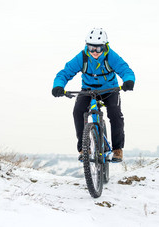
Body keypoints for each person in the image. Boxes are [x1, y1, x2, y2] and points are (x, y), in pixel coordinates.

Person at [52, 28, 135, 162]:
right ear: (87, 46)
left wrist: (129, 81)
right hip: (88, 90)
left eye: (98, 49)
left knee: (115, 113)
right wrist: (58, 86)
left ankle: (117, 149)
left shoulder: (111, 56)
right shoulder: (82, 57)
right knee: (78, 111)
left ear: (105, 46)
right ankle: (83, 148)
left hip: (110, 90)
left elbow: (125, 69)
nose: (94, 52)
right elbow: (65, 73)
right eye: (91, 48)